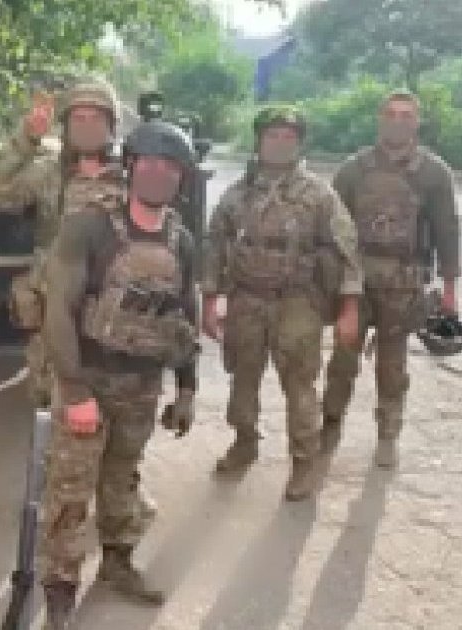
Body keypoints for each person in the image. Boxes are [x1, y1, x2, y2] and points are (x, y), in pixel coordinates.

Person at [38, 120, 200, 628]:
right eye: (148, 162)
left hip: (142, 384)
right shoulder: (89, 228)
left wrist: (187, 388)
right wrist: (75, 390)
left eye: (170, 166)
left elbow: (184, 316)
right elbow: (59, 311)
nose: (158, 173)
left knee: (122, 478)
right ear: (130, 166)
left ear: (182, 177)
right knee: (70, 488)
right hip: (89, 375)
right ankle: (60, 586)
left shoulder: (181, 240)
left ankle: (117, 563)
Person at [202, 106, 363, 501]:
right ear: (258, 141)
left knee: (299, 386)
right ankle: (244, 442)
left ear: (300, 143)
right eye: (272, 135)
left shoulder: (319, 196)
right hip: (246, 301)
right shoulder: (238, 194)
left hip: (298, 303)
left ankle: (304, 461)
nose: (279, 143)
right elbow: (214, 244)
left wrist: (349, 309)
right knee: (242, 380)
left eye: (288, 137)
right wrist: (209, 299)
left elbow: (347, 251)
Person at [320, 90, 462, 469]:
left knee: (392, 367)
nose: (398, 121)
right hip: (356, 284)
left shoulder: (434, 173)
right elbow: (332, 230)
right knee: (342, 361)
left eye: (406, 115)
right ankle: (330, 427)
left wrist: (450, 289)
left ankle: (388, 434)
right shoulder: (353, 170)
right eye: (391, 114)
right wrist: (329, 283)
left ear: (417, 122)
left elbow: (447, 232)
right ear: (380, 119)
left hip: (403, 286)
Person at [0, 77, 126, 410]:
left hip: (112, 317)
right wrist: (27, 138)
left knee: (115, 403)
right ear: (66, 126)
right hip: (55, 313)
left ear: (111, 125)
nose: (87, 126)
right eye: (79, 118)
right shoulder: (48, 172)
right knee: (52, 406)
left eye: (96, 118)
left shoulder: (130, 176)